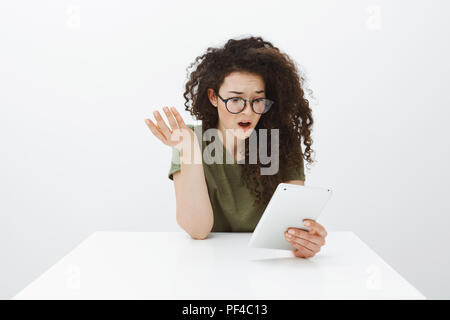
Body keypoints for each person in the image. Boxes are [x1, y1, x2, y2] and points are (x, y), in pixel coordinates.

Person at [145, 36, 327, 258]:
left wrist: (304, 241)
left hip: (266, 263)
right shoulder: (189, 139)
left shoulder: (283, 143)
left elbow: (290, 230)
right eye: (235, 100)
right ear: (213, 97)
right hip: (207, 262)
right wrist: (190, 150)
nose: (248, 112)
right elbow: (198, 230)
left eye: (258, 100)